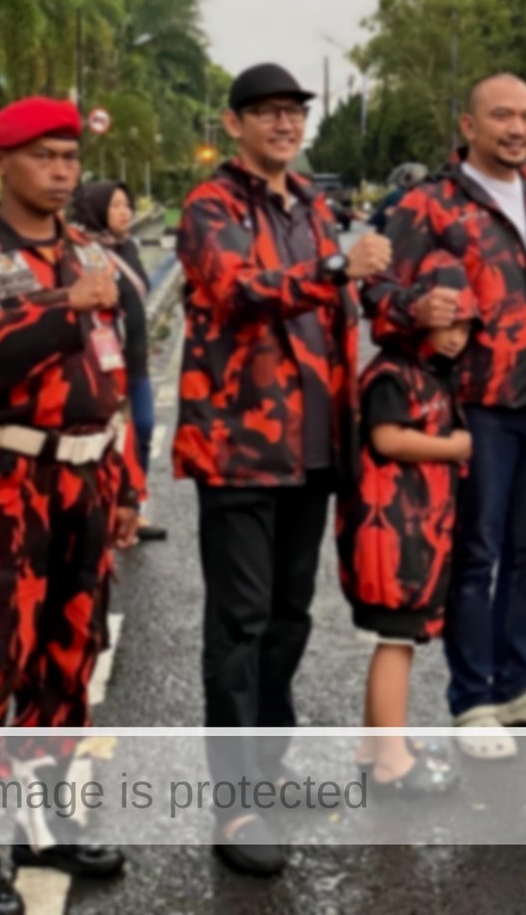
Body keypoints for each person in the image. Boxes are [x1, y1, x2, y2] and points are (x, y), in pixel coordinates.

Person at [0, 97, 144, 915]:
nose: (61, 172)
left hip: (87, 482)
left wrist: (126, 487)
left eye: (70, 158)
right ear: (1, 163)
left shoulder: (88, 253)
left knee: (67, 658)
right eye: (43, 156)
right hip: (2, 486)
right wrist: (63, 308)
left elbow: (114, 376)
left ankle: (46, 822)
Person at [173, 63, 392, 876]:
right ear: (235, 124)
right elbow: (237, 291)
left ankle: (267, 769)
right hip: (238, 450)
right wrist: (338, 267)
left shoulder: (312, 204)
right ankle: (235, 805)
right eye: (266, 112)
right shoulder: (211, 206)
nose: (283, 124)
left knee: (292, 619)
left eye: (293, 112)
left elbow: (351, 304)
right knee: (240, 624)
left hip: (313, 449)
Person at [367, 72, 526, 761]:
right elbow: (377, 294)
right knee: (476, 553)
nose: (518, 129)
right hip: (471, 404)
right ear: (468, 126)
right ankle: (471, 697)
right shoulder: (428, 205)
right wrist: (418, 310)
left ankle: (517, 682)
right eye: (502, 116)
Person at [339, 251, 478, 797]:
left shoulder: (430, 372)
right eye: (445, 324)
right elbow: (386, 438)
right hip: (389, 534)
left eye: (463, 326)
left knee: (399, 638)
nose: (453, 337)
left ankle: (376, 746)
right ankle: (393, 759)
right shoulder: (392, 375)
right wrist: (452, 447)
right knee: (396, 641)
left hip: (417, 530)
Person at [72, 180, 165, 541]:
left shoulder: (129, 248)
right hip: (108, 367)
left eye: (127, 204)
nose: (125, 212)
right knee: (109, 440)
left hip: (137, 364)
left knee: (141, 430)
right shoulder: (85, 254)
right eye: (115, 206)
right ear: (96, 211)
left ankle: (133, 508)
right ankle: (106, 510)